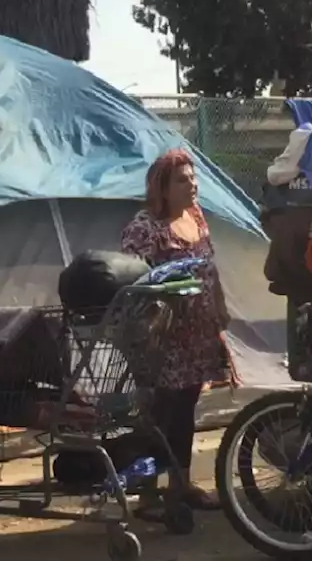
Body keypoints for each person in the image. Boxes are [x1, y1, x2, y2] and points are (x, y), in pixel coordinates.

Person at [120, 149, 231, 517]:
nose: (193, 185)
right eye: (182, 180)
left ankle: (180, 485)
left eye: (193, 178)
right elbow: (131, 282)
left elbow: (209, 268)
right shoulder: (145, 227)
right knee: (159, 413)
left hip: (197, 336)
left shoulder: (196, 218)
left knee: (185, 410)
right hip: (162, 340)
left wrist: (220, 307)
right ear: (162, 188)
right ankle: (148, 494)